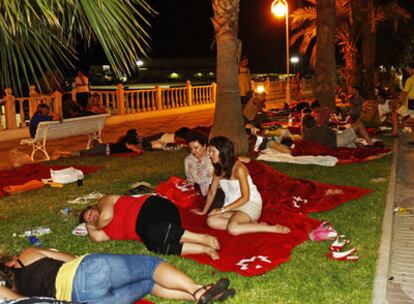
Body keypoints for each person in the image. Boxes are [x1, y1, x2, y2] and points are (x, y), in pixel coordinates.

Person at [0, 247, 235, 304]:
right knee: (150, 266)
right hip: (82, 273)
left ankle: (200, 298)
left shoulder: (14, 291)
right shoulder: (27, 254)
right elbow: (69, 258)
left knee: (146, 285)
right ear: (8, 261)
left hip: (83, 301)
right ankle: (198, 290)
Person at [194, 136, 291, 236]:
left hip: (249, 204)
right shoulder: (218, 169)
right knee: (211, 220)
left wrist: (222, 209)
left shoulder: (239, 168)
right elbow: (212, 191)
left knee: (233, 229)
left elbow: (245, 197)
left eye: (213, 151)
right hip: (232, 205)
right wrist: (204, 211)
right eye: (209, 151)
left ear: (222, 152)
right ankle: (249, 225)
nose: (210, 154)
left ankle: (271, 228)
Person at [82, 194, 221, 260]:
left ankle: (201, 238)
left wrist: (95, 224)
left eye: (90, 213)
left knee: (150, 230)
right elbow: (95, 238)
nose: (91, 217)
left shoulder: (104, 201)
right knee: (154, 246)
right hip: (164, 229)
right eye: (88, 219)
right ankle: (204, 248)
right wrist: (90, 226)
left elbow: (106, 216)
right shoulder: (103, 231)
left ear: (94, 207)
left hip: (154, 207)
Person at [185, 131, 225, 212]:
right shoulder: (188, 160)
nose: (193, 151)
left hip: (220, 188)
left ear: (204, 145)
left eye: (196, 148)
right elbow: (190, 179)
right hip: (205, 192)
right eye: (191, 149)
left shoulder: (212, 155)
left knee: (215, 209)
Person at [53, 129, 142, 158]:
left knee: (84, 153)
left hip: (105, 147)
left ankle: (62, 154)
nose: (138, 135)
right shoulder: (130, 144)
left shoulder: (125, 141)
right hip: (104, 149)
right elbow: (139, 151)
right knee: (82, 153)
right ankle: (60, 152)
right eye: (137, 134)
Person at [301, 114, 374, 148]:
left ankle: (359, 145)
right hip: (337, 141)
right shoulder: (321, 128)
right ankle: (371, 144)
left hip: (333, 144)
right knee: (359, 124)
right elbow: (333, 133)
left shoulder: (306, 135)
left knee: (351, 141)